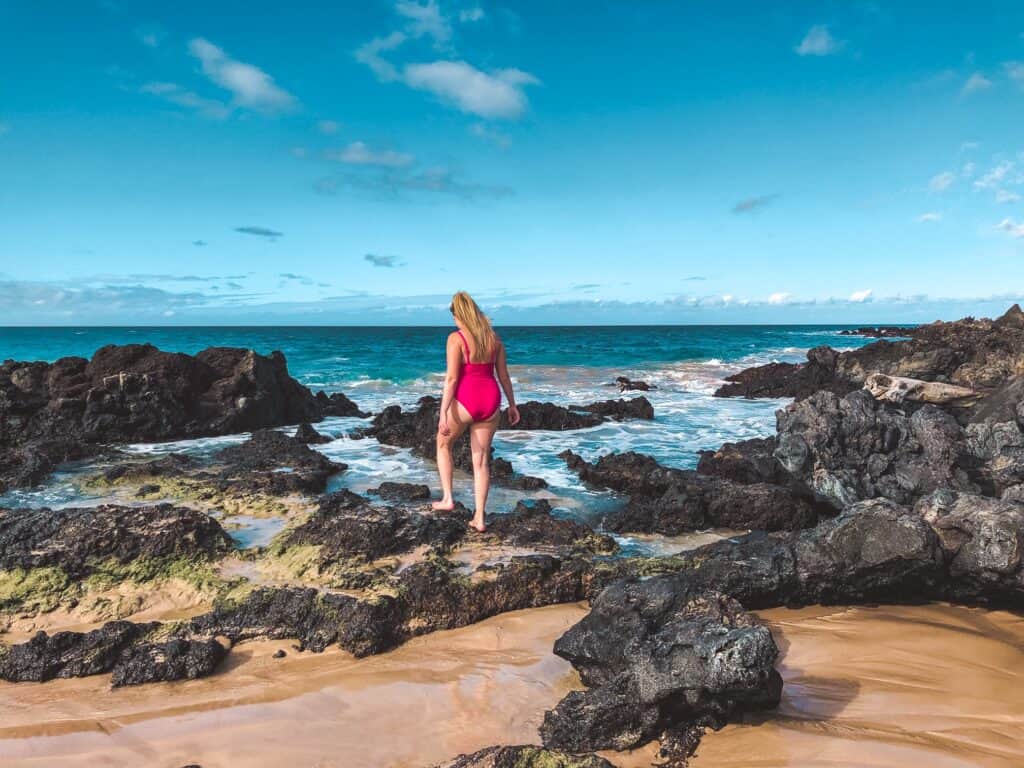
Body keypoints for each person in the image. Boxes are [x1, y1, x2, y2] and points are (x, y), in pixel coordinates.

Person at [432, 291, 520, 531]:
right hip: (491, 400)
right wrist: (512, 405)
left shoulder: (456, 339)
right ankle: (480, 518)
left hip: (466, 400)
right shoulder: (494, 339)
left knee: (443, 444)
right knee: (481, 461)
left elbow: (451, 379)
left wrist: (443, 413)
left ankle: (448, 499)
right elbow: (504, 376)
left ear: (457, 314)